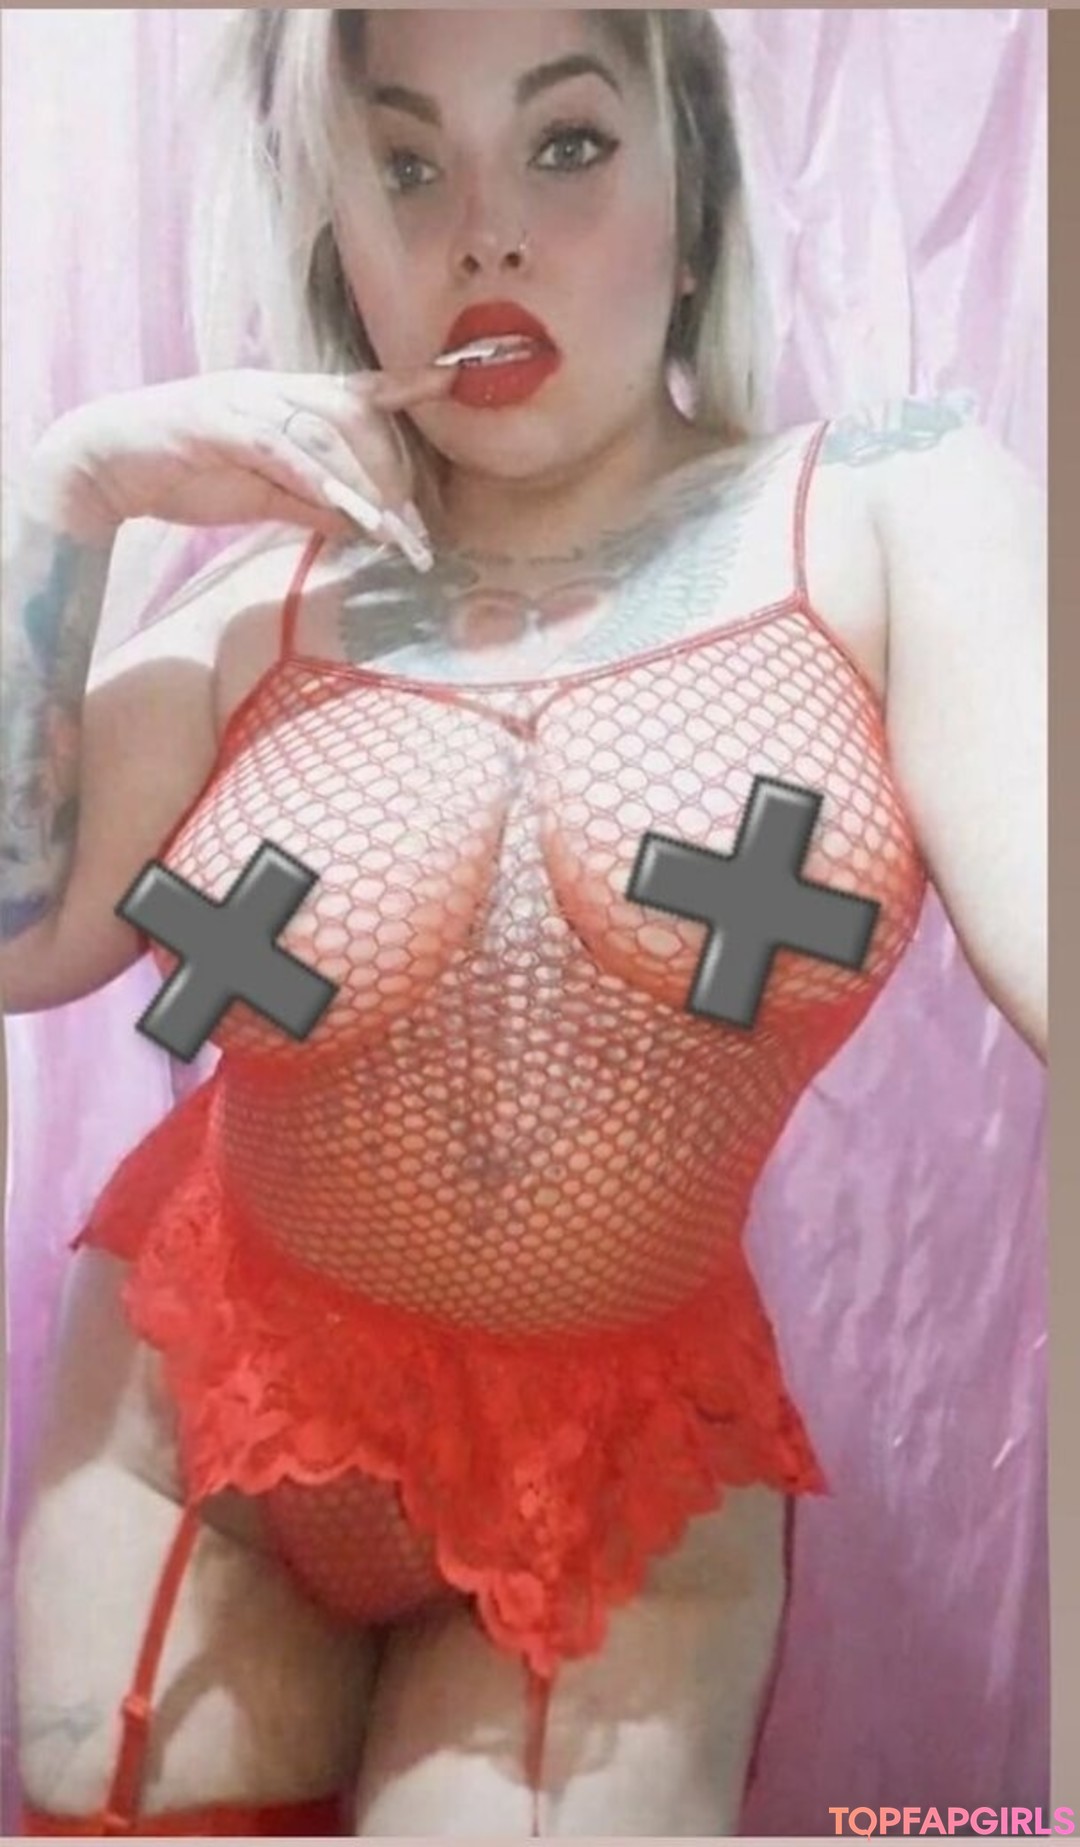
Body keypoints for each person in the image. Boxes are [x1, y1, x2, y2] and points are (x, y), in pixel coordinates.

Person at [2, 7, 1045, 1838]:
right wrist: (65, 485)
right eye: (406, 165)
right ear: (338, 232)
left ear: (692, 192)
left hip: (615, 1480)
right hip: (205, 1416)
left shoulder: (888, 502)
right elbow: (18, 940)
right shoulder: (255, 598)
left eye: (567, 144)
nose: (483, 234)